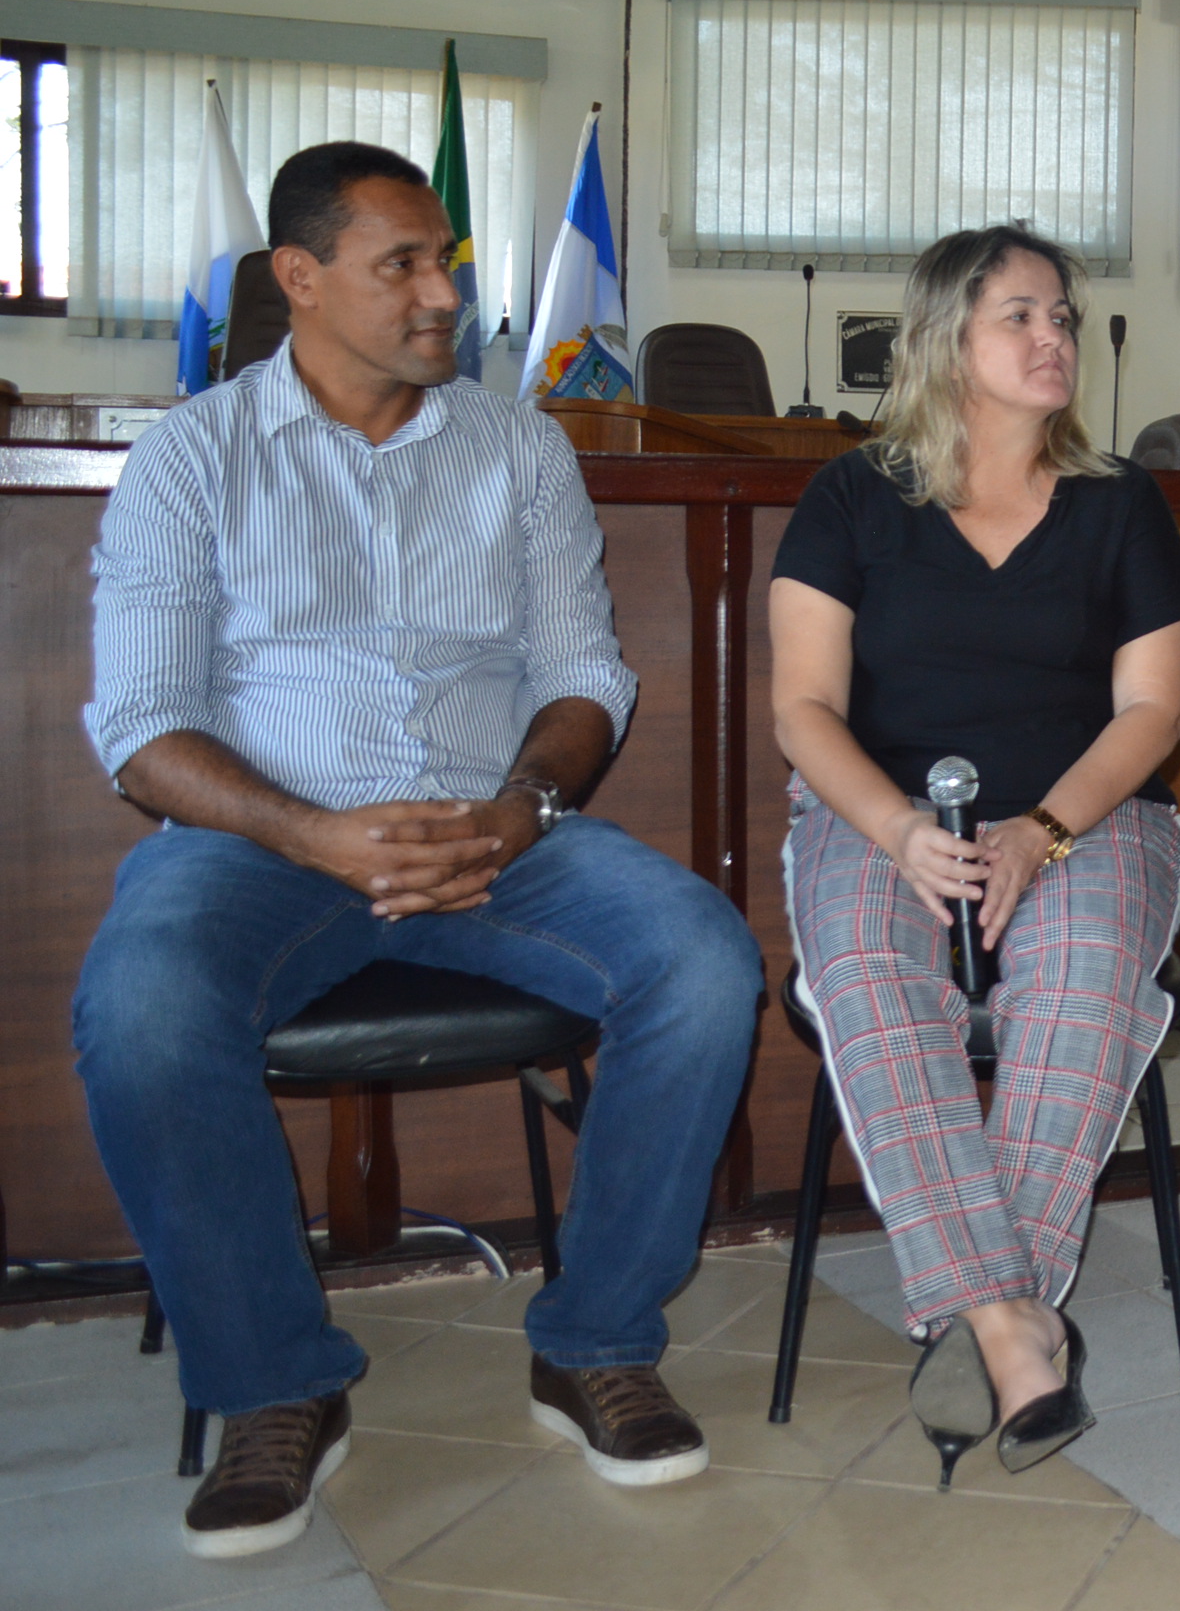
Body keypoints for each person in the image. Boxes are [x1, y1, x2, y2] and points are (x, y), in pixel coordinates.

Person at [75, 142, 764, 1558]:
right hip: (262, 842)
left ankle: (593, 1341)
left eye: (444, 259)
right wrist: (311, 831)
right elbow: (143, 727)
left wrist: (521, 809)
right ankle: (276, 1386)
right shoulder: (189, 459)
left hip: (491, 830)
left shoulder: (517, 447)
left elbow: (587, 676)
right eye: (405, 263)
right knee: (141, 1012)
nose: (444, 291)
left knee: (701, 960)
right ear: (301, 278)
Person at [772, 224, 1180, 1484]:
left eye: (1061, 316)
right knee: (867, 974)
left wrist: (1043, 830)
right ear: (943, 336)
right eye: (1020, 315)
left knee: (1077, 987)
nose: (1053, 335)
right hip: (880, 814)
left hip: (1088, 815)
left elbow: (1151, 712)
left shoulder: (1120, 503)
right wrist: (902, 828)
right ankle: (1015, 1320)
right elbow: (803, 707)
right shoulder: (851, 496)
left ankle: (982, 1314)